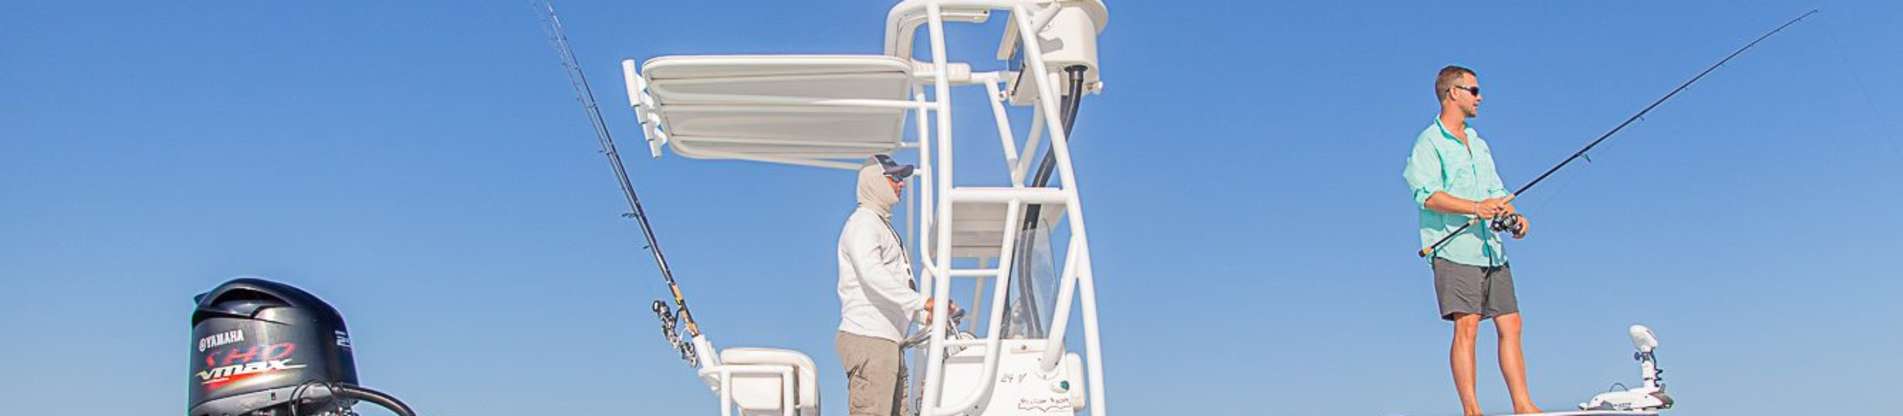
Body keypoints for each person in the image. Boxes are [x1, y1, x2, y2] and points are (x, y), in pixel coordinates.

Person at [1403, 65, 1539, 415]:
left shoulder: (1477, 142)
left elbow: (1497, 190)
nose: (1480, 97)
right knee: (1467, 327)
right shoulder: (1428, 142)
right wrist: (1475, 207)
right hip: (1453, 247)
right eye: (1474, 90)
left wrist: (1515, 216)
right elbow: (1427, 194)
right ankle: (1472, 410)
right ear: (1453, 93)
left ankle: (1523, 405)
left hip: (1491, 249)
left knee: (1511, 322)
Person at [836, 154, 945, 416]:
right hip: (870, 337)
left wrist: (922, 314)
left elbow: (893, 284)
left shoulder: (880, 225)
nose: (902, 184)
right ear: (875, 182)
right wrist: (922, 302)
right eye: (894, 177)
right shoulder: (863, 223)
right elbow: (871, 273)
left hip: (887, 340)